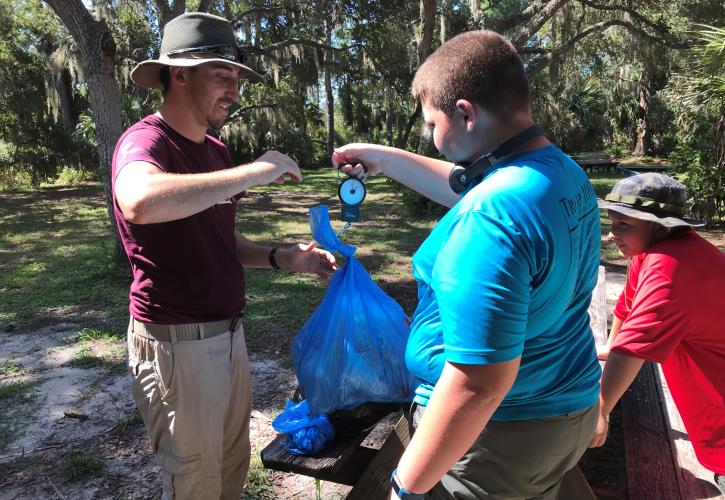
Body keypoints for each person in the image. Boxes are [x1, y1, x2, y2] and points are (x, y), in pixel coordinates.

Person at [333, 30, 601, 499]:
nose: (431, 136)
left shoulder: (490, 219)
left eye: (432, 123)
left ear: (465, 113)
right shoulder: (557, 173)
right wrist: (382, 159)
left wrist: (407, 485)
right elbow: (474, 187)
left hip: (498, 434)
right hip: (561, 405)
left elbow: (478, 382)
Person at [112, 12, 337, 500]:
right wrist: (256, 171)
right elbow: (139, 200)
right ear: (179, 74)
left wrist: (283, 257)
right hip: (176, 347)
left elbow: (220, 243)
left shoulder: (215, 154)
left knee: (231, 473)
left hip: (229, 337)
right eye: (222, 75)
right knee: (196, 483)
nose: (234, 90)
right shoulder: (145, 141)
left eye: (236, 77)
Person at [590, 173, 725, 495]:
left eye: (623, 225)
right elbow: (627, 305)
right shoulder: (653, 252)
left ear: (659, 225)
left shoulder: (670, 266)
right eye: (613, 223)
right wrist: (612, 344)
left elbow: (634, 347)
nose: (612, 235)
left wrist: (601, 409)